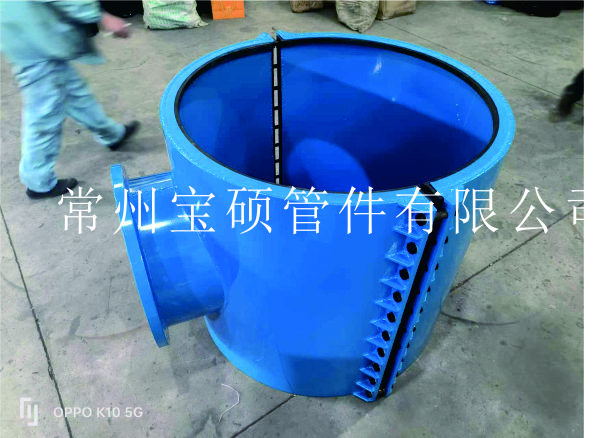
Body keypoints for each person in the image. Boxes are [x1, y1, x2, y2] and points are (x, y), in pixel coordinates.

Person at [0, 1, 140, 199]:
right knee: (44, 114)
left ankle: (111, 134)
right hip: (34, 43)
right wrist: (101, 16)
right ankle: (39, 182)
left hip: (27, 32)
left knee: (75, 94)